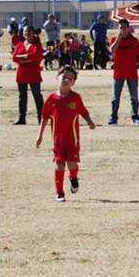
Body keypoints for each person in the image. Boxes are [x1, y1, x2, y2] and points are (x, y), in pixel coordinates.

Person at [35, 65, 96, 202]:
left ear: (74, 82)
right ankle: (59, 192)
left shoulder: (75, 98)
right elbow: (44, 117)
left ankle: (73, 177)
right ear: (57, 78)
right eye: (64, 77)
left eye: (70, 78)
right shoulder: (51, 99)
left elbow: (83, 112)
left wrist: (89, 121)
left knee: (72, 164)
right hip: (58, 140)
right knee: (60, 165)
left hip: (72, 139)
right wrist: (40, 135)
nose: (66, 80)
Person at [108, 18, 139, 125]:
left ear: (128, 28)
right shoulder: (114, 39)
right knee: (115, 97)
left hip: (131, 72)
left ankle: (135, 117)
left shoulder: (134, 41)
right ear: (118, 28)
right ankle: (113, 117)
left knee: (134, 97)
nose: (123, 29)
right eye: (121, 27)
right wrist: (119, 38)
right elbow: (112, 50)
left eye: (125, 27)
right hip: (118, 72)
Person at [11, 24, 45, 125]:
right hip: (22, 73)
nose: (27, 33)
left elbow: (35, 56)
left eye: (29, 31)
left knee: (37, 95)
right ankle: (22, 118)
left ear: (33, 33)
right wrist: (27, 59)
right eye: (25, 31)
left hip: (33, 73)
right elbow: (14, 58)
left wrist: (21, 57)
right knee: (22, 96)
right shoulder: (20, 45)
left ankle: (41, 117)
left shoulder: (37, 44)